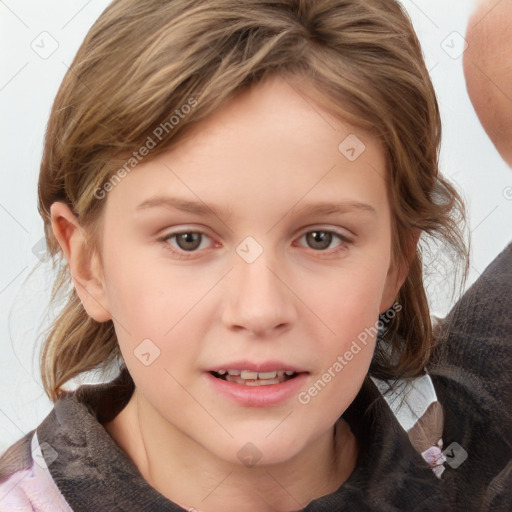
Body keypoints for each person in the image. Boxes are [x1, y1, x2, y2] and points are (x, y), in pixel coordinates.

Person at [0, 0, 510, 510]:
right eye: (189, 239)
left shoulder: (477, 438)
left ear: (397, 261)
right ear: (89, 265)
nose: (260, 310)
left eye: (320, 238)